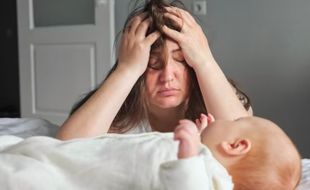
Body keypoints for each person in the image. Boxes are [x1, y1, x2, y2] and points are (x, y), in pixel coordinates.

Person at [57, 0, 252, 139]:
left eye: (181, 60)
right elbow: (66, 145)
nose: (167, 77)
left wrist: (205, 60)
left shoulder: (221, 95)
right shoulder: (120, 116)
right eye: (154, 64)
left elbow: (248, 139)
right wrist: (126, 69)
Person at [1, 115, 300, 190]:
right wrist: (204, 139)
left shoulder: (210, 178)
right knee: (26, 149)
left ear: (236, 146)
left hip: (63, 180)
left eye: (234, 123)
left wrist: (190, 155)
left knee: (22, 174)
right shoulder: (208, 160)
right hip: (75, 157)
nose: (222, 119)